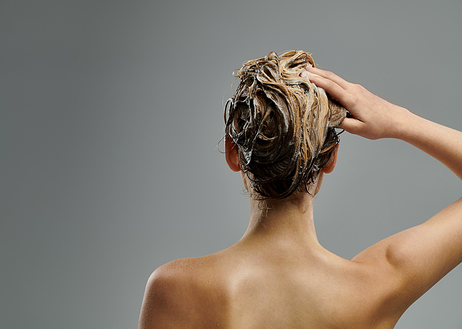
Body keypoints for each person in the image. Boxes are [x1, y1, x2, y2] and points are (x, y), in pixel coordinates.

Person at [138, 50, 462, 328]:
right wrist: (398, 119)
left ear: (232, 152)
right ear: (331, 157)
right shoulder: (376, 284)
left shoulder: (174, 289)